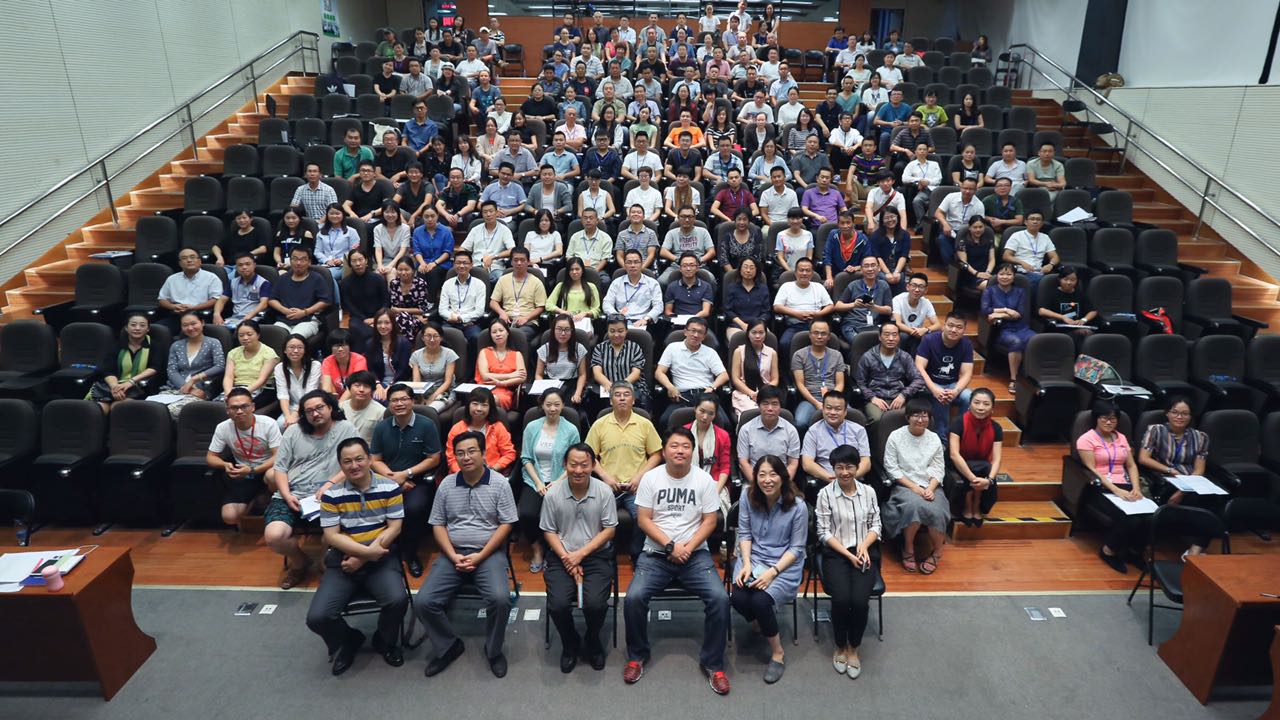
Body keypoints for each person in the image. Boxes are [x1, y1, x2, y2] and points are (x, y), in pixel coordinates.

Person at [623, 428, 731, 695]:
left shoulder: (704, 480)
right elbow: (643, 519)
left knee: (720, 599)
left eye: (685, 446)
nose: (680, 451)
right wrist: (670, 546)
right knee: (633, 598)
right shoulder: (651, 478)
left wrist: (687, 548)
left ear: (692, 451)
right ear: (664, 450)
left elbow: (710, 521)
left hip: (694, 555)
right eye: (674, 446)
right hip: (656, 555)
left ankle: (713, 663)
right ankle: (637, 655)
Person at [416, 430, 518, 678]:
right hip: (453, 554)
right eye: (460, 453)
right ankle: (449, 646)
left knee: (500, 599)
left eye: (472, 451)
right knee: (424, 602)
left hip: (488, 554)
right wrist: (452, 556)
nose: (466, 457)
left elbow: (506, 524)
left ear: (483, 454)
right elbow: (438, 524)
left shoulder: (500, 484)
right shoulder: (446, 485)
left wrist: (481, 556)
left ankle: (493, 651)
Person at [302, 436, 407, 675]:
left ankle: (385, 640)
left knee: (397, 600)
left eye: (359, 459)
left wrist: (365, 557)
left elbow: (394, 528)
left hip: (381, 558)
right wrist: (364, 553)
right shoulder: (331, 495)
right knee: (318, 617)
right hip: (343, 561)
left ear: (369, 459)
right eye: (347, 461)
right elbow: (332, 536)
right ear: (340, 465)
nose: (354, 465)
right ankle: (349, 639)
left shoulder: (390, 487)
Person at [266, 390, 360, 589]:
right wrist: (286, 495)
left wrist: (330, 484)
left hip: (333, 494)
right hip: (294, 493)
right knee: (274, 536)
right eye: (309, 411)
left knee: (332, 537)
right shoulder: (293, 431)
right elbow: (280, 468)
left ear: (330, 407)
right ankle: (300, 562)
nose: (315, 414)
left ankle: (326, 561)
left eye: (319, 408)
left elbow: (354, 463)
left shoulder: (346, 429)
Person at [730, 453, 806, 684]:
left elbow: (797, 548)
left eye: (773, 474)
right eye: (761, 475)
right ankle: (760, 621)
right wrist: (746, 563)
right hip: (753, 558)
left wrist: (772, 572)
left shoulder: (798, 506)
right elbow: (744, 533)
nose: (767, 480)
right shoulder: (747, 496)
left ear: (783, 477)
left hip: (783, 565)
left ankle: (777, 653)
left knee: (760, 601)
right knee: (738, 598)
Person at [541, 443, 617, 673]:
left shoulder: (604, 492)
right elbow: (549, 531)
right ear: (565, 465)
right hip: (561, 555)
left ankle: (593, 640)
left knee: (595, 604)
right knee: (558, 605)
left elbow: (609, 530)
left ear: (593, 466)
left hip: (596, 555)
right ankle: (570, 642)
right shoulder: (552, 495)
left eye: (584, 465)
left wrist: (580, 555)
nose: (578, 470)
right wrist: (568, 558)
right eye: (573, 464)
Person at [815, 443, 881, 678]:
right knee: (842, 600)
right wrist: (848, 554)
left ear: (857, 468)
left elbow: (876, 525)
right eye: (839, 467)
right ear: (833, 469)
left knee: (860, 601)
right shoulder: (825, 494)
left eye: (849, 467)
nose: (844, 472)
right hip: (837, 553)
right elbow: (823, 532)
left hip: (864, 551)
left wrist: (863, 545)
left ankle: (854, 647)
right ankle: (840, 645)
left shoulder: (869, 492)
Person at [586, 380, 663, 554]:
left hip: (636, 488)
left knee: (642, 519)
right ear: (611, 400)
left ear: (633, 400)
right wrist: (605, 477)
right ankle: (606, 555)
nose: (622, 398)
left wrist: (639, 477)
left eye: (626, 395)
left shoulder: (644, 424)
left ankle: (637, 555)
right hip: (607, 487)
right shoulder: (600, 424)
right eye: (617, 395)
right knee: (598, 517)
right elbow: (589, 456)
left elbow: (657, 454)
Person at [1137, 396, 1214, 558]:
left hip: (1190, 482)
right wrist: (1170, 470)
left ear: (1191, 416)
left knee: (1211, 501)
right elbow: (1143, 458)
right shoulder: (1156, 431)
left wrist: (1183, 490)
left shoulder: (1200, 437)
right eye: (1175, 412)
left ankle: (1194, 551)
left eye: (1185, 414)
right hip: (1164, 479)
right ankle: (1147, 545)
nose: (1180, 417)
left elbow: (1199, 469)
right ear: (1167, 413)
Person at [1077, 400, 1147, 573]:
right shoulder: (1086, 439)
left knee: (1149, 516)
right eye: (1104, 418)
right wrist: (1116, 490)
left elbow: (1131, 465)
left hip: (1124, 484)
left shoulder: (1121, 438)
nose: (1109, 422)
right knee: (1129, 518)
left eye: (1113, 419)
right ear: (1097, 418)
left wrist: (1136, 488)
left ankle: (1134, 552)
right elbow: (1092, 469)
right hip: (1100, 487)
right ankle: (1108, 551)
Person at [519, 388, 583, 574]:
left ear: (563, 405)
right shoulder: (532, 427)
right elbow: (526, 458)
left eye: (556, 404)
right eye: (548, 404)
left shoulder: (570, 430)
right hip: (535, 480)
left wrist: (557, 482)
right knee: (527, 514)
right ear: (542, 405)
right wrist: (538, 483)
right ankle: (537, 548)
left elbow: (575, 460)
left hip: (562, 479)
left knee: (561, 514)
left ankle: (554, 549)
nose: (552, 408)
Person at [882, 399, 948, 574]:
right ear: (907, 417)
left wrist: (930, 488)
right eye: (916, 415)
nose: (920, 419)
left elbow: (938, 468)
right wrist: (914, 488)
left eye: (924, 416)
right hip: (905, 485)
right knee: (914, 507)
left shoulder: (934, 438)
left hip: (931, 485)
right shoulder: (896, 436)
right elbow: (891, 467)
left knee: (937, 510)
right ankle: (908, 548)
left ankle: (937, 552)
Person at [208, 386, 281, 527]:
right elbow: (210, 457)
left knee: (273, 475)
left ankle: (272, 499)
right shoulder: (223, 427)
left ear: (253, 407)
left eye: (244, 406)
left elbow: (278, 456)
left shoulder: (268, 424)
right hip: (243, 473)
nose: (240, 411)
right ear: (228, 410)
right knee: (229, 517)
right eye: (234, 408)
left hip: (267, 469)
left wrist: (254, 470)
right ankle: (255, 501)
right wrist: (224, 464)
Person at [655, 317, 730, 427]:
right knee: (664, 421)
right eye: (693, 330)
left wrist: (711, 388)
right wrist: (670, 387)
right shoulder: (672, 348)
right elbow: (659, 372)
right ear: (685, 331)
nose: (695, 335)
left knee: (725, 423)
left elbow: (724, 375)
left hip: (705, 394)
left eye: (700, 332)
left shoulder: (710, 352)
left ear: (704, 336)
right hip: (681, 396)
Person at [948, 387, 1002, 527]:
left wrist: (989, 480)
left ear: (992, 408)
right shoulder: (958, 422)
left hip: (982, 465)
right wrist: (973, 479)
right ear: (969, 404)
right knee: (976, 467)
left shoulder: (996, 428)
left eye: (986, 404)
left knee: (986, 467)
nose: (980, 407)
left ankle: (976, 503)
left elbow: (997, 459)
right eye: (976, 402)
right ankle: (968, 503)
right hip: (958, 463)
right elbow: (954, 455)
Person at [915, 312, 975, 438]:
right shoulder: (929, 340)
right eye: (950, 325)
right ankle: (942, 439)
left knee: (969, 397)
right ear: (944, 325)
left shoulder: (966, 344)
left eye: (959, 327)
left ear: (964, 330)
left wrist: (956, 391)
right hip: (929, 383)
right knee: (942, 396)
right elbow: (919, 367)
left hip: (952, 385)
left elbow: (967, 373)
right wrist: (934, 389)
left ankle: (957, 433)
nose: (954, 330)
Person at [982, 264, 1037, 394]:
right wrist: (1007, 310)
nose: (1004, 277)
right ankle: (1014, 379)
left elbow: (1019, 314)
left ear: (1014, 276)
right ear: (997, 275)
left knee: (1037, 340)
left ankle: (1033, 378)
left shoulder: (1020, 292)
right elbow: (985, 310)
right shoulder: (989, 291)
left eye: (1008, 274)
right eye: (1001, 274)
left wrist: (999, 313)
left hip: (1022, 328)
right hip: (1002, 330)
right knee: (1016, 342)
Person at [854, 322, 924, 423]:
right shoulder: (868, 357)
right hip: (875, 398)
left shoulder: (905, 357)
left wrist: (903, 395)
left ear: (899, 337)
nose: (891, 338)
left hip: (898, 397)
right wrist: (872, 398)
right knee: (878, 419)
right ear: (880, 337)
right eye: (887, 335)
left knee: (906, 418)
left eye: (894, 335)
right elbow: (860, 382)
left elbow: (918, 379)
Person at [160, 312, 225, 418]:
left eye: (193, 324)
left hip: (200, 390)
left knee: (171, 411)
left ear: (202, 323)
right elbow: (172, 371)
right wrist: (185, 386)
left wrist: (195, 379)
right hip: (175, 389)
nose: (190, 328)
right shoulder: (176, 345)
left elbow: (220, 366)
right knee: (152, 409)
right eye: (185, 325)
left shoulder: (213, 343)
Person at [801, 393, 872, 487]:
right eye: (829, 408)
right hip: (827, 482)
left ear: (845, 412)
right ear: (823, 409)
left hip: (855, 481)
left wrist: (850, 478)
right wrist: (833, 479)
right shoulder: (813, 431)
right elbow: (807, 464)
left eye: (838, 409)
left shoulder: (858, 430)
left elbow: (866, 462)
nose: (833, 412)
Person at [444, 387, 517, 475]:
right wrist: (464, 474)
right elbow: (451, 459)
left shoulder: (498, 427)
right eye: (475, 404)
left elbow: (509, 454)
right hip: (461, 474)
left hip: (491, 474)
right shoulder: (457, 429)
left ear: (490, 408)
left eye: (484, 405)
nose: (479, 408)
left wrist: (494, 469)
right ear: (468, 406)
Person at [736, 386, 802, 481]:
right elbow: (743, 463)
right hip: (754, 480)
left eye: (774, 404)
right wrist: (757, 484)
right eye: (765, 404)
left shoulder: (791, 430)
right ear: (758, 405)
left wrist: (783, 484)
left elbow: (792, 463)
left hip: (782, 481)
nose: (770, 408)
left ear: (780, 406)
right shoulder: (746, 430)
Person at [791, 319, 847, 428]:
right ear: (810, 335)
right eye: (816, 333)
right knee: (800, 422)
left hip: (833, 397)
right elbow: (800, 384)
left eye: (823, 333)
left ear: (829, 336)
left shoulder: (837, 355)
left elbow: (840, 383)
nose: (819, 336)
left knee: (853, 416)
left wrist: (831, 401)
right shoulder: (799, 355)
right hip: (810, 399)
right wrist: (816, 403)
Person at [157, 247, 226, 332]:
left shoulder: (211, 278)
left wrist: (194, 307)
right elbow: (162, 299)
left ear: (199, 261)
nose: (189, 260)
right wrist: (173, 306)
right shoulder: (172, 279)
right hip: (177, 315)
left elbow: (216, 299)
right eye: (184, 258)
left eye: (192, 257)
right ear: (180, 263)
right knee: (159, 330)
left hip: (201, 316)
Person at [268, 247, 333, 339]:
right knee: (275, 337)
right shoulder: (283, 278)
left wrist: (304, 312)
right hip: (284, 320)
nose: (298, 263)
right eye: (295, 259)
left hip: (308, 321)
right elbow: (272, 300)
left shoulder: (317, 278)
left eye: (303, 259)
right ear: (290, 261)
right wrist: (284, 310)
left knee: (294, 339)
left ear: (309, 262)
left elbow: (326, 301)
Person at [489, 248, 548, 346]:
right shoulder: (503, 280)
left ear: (528, 262)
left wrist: (526, 318)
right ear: (511, 262)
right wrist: (502, 312)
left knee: (517, 336)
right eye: (516, 260)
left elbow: (541, 307)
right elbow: (493, 302)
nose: (519, 263)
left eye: (522, 260)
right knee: (493, 334)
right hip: (506, 321)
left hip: (527, 322)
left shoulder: (536, 282)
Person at [772, 256, 834, 349]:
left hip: (816, 325)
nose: (804, 273)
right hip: (794, 325)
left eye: (808, 270)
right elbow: (777, 306)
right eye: (801, 270)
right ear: (795, 273)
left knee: (832, 341)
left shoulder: (818, 286)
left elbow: (830, 305)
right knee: (784, 343)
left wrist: (818, 314)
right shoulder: (786, 286)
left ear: (812, 273)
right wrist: (797, 314)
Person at [590, 316, 649, 406]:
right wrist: (610, 386)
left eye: (620, 331)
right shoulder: (599, 348)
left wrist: (620, 388)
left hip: (632, 387)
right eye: (612, 331)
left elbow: (636, 373)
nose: (616, 335)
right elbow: (597, 373)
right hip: (607, 387)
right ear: (607, 331)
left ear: (626, 331)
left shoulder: (634, 347)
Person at [339, 248, 388, 351]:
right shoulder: (345, 283)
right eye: (354, 261)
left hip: (380, 315)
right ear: (350, 264)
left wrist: (376, 318)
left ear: (366, 261)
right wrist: (364, 319)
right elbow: (348, 305)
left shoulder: (378, 279)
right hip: (358, 318)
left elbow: (386, 301)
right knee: (356, 328)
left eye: (360, 260)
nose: (358, 264)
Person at [729, 318, 779, 419]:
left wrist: (763, 392)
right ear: (748, 333)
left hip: (766, 394)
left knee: (769, 415)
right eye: (754, 332)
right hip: (744, 393)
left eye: (761, 333)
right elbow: (735, 379)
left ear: (766, 334)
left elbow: (775, 379)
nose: (757, 336)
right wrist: (751, 393)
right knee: (752, 415)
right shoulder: (739, 352)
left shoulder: (772, 353)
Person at [221, 318, 279, 405]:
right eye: (241, 335)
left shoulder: (269, 353)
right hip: (235, 390)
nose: (245, 338)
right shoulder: (233, 353)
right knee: (219, 406)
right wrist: (228, 393)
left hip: (259, 390)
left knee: (239, 406)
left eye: (249, 334)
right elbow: (228, 377)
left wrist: (242, 394)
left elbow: (262, 380)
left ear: (258, 335)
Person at [437, 250, 487, 349]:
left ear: (471, 265)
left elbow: (479, 311)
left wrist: (461, 318)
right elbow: (442, 309)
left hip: (470, 323)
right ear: (454, 265)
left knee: (476, 337)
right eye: (458, 263)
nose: (461, 266)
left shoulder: (479, 284)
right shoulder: (447, 284)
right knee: (440, 336)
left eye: (465, 263)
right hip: (450, 322)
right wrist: (452, 317)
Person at [836, 255, 893, 342]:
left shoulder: (884, 285)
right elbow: (838, 306)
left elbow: (889, 310)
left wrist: (874, 307)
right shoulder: (853, 285)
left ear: (879, 268)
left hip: (875, 325)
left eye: (873, 265)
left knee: (888, 341)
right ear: (861, 269)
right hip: (853, 325)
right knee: (860, 342)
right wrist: (854, 305)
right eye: (866, 266)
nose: (870, 269)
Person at [602, 249, 663, 328]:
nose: (633, 265)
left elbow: (658, 306)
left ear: (642, 264)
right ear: (624, 265)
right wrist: (616, 316)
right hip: (620, 321)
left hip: (643, 321)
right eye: (629, 262)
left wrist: (646, 319)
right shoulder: (616, 283)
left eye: (636, 262)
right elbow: (607, 303)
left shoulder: (652, 283)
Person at [476, 319, 527, 412]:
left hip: (505, 391)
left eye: (501, 330)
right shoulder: (484, 352)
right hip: (485, 389)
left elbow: (522, 377)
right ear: (491, 335)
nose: (498, 334)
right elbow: (485, 376)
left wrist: (503, 383)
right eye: (494, 332)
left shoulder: (517, 354)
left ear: (507, 332)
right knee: (481, 400)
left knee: (492, 400)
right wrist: (510, 375)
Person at [1001, 211, 1056, 298]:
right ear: (1025, 222)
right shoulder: (1017, 236)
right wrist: (1022, 263)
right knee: (1040, 282)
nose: (1035, 221)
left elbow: (1055, 256)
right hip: (1021, 271)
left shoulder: (1045, 237)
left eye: (1038, 219)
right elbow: (1006, 256)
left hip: (1039, 272)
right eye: (1032, 219)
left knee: (1057, 280)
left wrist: (1051, 264)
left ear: (1042, 223)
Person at [1037, 265, 1096, 346]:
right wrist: (1063, 317)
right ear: (1059, 279)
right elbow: (1042, 311)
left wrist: (1084, 320)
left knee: (1088, 335)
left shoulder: (1080, 294)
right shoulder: (1052, 293)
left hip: (1076, 327)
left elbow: (1093, 311)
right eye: (1065, 279)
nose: (1069, 282)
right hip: (1059, 329)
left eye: (1073, 280)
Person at [536, 315, 589, 404]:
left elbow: (582, 375)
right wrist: (543, 392)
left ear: (572, 331)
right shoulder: (545, 349)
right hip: (550, 386)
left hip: (571, 386)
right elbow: (538, 374)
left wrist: (577, 394)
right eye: (559, 329)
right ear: (553, 330)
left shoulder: (579, 349)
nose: (563, 333)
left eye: (567, 330)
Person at [273, 334, 321, 430]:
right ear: (285, 350)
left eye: (300, 347)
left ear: (305, 350)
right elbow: (283, 395)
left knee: (302, 425)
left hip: (311, 406)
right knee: (280, 424)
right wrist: (288, 417)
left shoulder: (315, 365)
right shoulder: (279, 368)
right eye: (291, 347)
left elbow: (309, 393)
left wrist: (295, 415)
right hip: (291, 407)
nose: (295, 351)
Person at [461, 201, 516, 282]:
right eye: (485, 212)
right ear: (482, 214)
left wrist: (493, 257)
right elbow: (463, 248)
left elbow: (512, 250)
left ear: (497, 212)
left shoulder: (505, 230)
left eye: (491, 211)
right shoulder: (475, 230)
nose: (488, 214)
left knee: (502, 279)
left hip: (495, 266)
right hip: (476, 266)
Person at [410, 322, 458, 413]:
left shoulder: (449, 354)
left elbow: (448, 382)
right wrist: (421, 399)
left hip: (444, 393)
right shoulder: (416, 355)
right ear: (423, 338)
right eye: (428, 336)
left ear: (441, 338)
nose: (432, 340)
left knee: (429, 411)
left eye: (435, 336)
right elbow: (417, 381)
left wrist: (432, 397)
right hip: (423, 393)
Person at [546, 257, 602, 335]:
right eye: (571, 270)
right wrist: (562, 311)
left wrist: (585, 313)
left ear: (582, 270)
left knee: (580, 336)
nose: (574, 272)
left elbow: (597, 309)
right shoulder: (561, 286)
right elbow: (548, 305)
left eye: (577, 269)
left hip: (583, 322)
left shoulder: (591, 287)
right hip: (565, 323)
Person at [366, 308, 413, 397]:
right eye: (379, 323)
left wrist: (390, 387)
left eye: (387, 323)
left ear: (393, 324)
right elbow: (371, 369)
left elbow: (402, 370)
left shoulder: (403, 343)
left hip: (399, 382)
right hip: (379, 383)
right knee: (376, 398)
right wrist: (378, 385)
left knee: (390, 399)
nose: (383, 326)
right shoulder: (370, 344)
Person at [891, 273, 940, 354]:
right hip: (903, 332)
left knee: (936, 335)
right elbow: (898, 323)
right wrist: (915, 332)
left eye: (921, 287)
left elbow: (938, 324)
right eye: (914, 285)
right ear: (908, 287)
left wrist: (926, 330)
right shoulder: (898, 300)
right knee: (904, 336)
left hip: (918, 333)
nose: (917, 290)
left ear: (926, 290)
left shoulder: (926, 302)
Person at [870, 207, 911, 293]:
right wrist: (887, 273)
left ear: (897, 217)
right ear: (882, 220)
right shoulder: (875, 236)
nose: (890, 220)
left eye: (892, 217)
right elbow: (877, 257)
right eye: (886, 218)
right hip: (882, 269)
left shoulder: (905, 235)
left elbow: (904, 255)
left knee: (900, 278)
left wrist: (896, 272)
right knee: (883, 279)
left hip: (899, 269)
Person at [902, 142, 942, 231]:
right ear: (915, 152)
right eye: (920, 149)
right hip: (922, 190)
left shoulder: (934, 164)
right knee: (916, 201)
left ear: (927, 152)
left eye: (924, 149)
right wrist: (920, 180)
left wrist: (928, 182)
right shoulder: (911, 164)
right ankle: (921, 224)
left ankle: (926, 226)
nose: (922, 151)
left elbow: (938, 179)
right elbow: (904, 179)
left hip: (934, 190)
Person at [320, 330, 368, 400]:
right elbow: (326, 388)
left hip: (357, 398)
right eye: (336, 346)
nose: (340, 349)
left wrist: (339, 404)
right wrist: (332, 401)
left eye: (344, 345)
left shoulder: (359, 360)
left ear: (349, 346)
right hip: (337, 399)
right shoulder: (327, 361)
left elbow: (356, 386)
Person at [664, 253, 715, 320]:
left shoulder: (706, 286)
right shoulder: (672, 287)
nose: (688, 269)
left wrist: (691, 320)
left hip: (699, 321)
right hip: (678, 321)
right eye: (684, 266)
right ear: (680, 269)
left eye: (692, 265)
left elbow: (706, 311)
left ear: (697, 268)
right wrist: (678, 319)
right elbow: (668, 311)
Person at [339, 371, 387, 442]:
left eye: (366, 386)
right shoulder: (340, 408)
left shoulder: (381, 412)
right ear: (349, 388)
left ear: (372, 390)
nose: (361, 390)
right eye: (357, 386)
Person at [567, 207, 616, 276]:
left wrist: (594, 273)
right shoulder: (575, 237)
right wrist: (576, 270)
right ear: (581, 220)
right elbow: (569, 256)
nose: (588, 220)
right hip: (576, 270)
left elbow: (605, 259)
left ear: (597, 220)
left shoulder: (605, 238)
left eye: (591, 218)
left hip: (597, 270)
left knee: (605, 280)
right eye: (585, 218)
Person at [955, 216, 995, 296]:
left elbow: (992, 259)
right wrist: (977, 273)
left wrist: (987, 272)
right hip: (971, 274)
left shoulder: (988, 238)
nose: (978, 230)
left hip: (986, 272)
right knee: (992, 287)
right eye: (975, 227)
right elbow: (964, 262)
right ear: (970, 228)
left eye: (980, 227)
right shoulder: (963, 241)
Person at [719, 210, 766, 276]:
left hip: (750, 273)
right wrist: (734, 275)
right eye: (739, 219)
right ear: (735, 221)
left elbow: (758, 259)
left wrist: (747, 273)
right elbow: (724, 259)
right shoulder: (727, 237)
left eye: (744, 219)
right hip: (731, 273)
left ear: (749, 222)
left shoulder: (755, 237)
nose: (742, 222)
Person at [615, 204, 660, 269]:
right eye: (633, 212)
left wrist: (640, 270)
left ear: (643, 216)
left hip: (645, 267)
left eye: (639, 212)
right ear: (629, 216)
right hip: (627, 266)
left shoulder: (651, 233)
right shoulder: (622, 234)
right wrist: (627, 269)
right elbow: (619, 256)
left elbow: (651, 255)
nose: (636, 214)